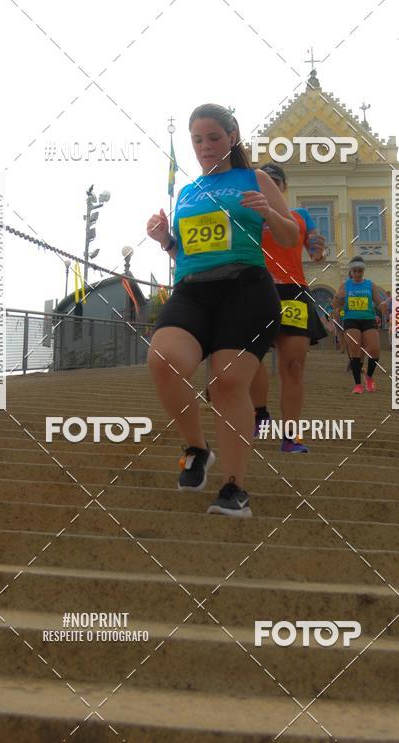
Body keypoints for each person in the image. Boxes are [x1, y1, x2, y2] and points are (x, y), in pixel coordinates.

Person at [146, 104, 299, 517]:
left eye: (213, 137)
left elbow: (289, 237)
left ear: (232, 137)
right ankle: (197, 449)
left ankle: (235, 488)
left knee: (228, 382)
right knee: (163, 359)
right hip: (193, 290)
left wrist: (269, 212)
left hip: (246, 290)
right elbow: (186, 251)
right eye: (198, 140)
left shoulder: (256, 178)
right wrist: (165, 241)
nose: (206, 146)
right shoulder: (189, 191)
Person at [249, 163, 327, 453]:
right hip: (255, 289)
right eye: (264, 180)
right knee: (249, 357)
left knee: (293, 367)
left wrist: (319, 251)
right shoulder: (246, 213)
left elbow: (315, 249)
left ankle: (290, 435)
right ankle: (260, 414)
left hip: (293, 291)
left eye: (276, 181)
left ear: (282, 187)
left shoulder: (300, 216)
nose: (270, 184)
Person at [332, 256, 386, 393]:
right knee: (355, 350)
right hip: (351, 320)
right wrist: (338, 297)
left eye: (359, 271)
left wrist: (384, 306)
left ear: (363, 271)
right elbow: (334, 306)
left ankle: (368, 377)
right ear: (351, 271)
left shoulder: (370, 285)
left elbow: (378, 303)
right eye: (354, 271)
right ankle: (357, 385)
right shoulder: (345, 285)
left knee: (374, 350)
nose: (357, 274)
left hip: (368, 319)